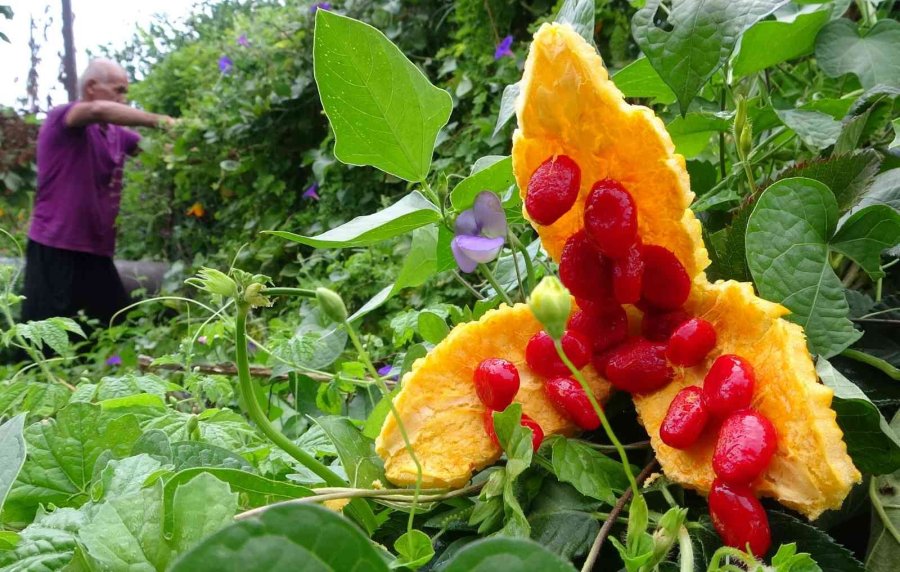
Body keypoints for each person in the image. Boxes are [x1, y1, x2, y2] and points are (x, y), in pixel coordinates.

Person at [21, 58, 175, 328]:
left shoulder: (118, 135)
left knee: (113, 329)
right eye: (119, 90)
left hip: (97, 250)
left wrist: (201, 146)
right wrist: (166, 122)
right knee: (44, 336)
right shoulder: (64, 117)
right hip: (56, 246)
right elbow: (98, 110)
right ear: (92, 87)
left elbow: (163, 154)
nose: (124, 98)